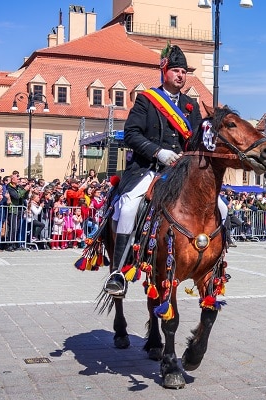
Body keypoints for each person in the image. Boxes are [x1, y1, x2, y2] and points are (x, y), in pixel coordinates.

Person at [105, 43, 202, 296]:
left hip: (181, 172)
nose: (181, 75)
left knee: (221, 206)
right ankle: (119, 270)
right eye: (176, 70)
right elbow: (131, 135)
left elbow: (198, 140)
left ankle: (212, 262)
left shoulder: (192, 105)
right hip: (147, 168)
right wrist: (159, 152)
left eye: (184, 72)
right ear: (165, 71)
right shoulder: (146, 100)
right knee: (127, 207)